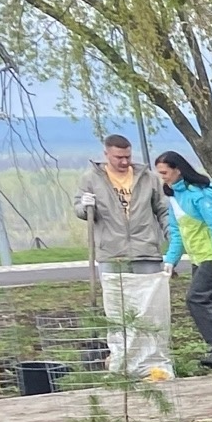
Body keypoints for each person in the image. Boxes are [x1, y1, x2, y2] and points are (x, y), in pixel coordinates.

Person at [75, 134, 175, 379]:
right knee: (118, 311)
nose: (124, 162)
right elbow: (80, 209)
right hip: (112, 253)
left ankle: (154, 363)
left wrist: (172, 238)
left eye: (128, 156)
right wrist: (84, 206)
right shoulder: (91, 180)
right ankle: (122, 363)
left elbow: (162, 210)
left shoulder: (148, 178)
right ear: (106, 154)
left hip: (146, 251)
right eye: (119, 157)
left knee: (150, 309)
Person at [154, 151, 212, 370]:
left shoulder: (200, 195)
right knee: (210, 304)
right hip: (198, 258)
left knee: (196, 299)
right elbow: (178, 233)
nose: (163, 178)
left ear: (178, 169)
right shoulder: (175, 196)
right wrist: (170, 261)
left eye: (165, 173)